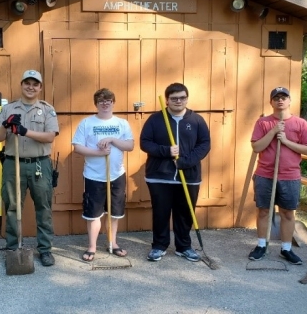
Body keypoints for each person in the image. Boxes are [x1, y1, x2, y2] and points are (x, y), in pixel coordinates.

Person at [0, 70, 59, 267]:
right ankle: (14, 248)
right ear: (21, 85)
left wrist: (24, 131)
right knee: (12, 207)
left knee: (43, 208)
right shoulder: (9, 109)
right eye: (27, 83)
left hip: (40, 164)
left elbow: (50, 136)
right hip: (13, 163)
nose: (31, 87)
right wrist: (5, 125)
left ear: (40, 87)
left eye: (35, 84)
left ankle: (45, 250)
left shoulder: (47, 109)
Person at [140, 82, 211, 262]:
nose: (178, 101)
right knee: (161, 213)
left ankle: (184, 246)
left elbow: (204, 144)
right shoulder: (156, 119)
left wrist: (186, 162)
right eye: (174, 98)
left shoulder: (196, 120)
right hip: (159, 176)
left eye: (182, 98)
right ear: (167, 100)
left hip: (189, 176)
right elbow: (145, 142)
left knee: (185, 213)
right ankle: (159, 245)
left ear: (187, 99)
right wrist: (166, 151)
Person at [248, 87, 307, 265]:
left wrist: (285, 141)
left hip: (290, 176)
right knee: (263, 211)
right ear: (271, 102)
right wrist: (273, 131)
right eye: (276, 98)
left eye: (283, 97)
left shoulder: (301, 124)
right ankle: (261, 245)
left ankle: (286, 248)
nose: (280, 100)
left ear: (289, 101)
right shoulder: (263, 123)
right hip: (265, 174)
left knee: (287, 212)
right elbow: (256, 147)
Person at [72, 88, 134, 262]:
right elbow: (77, 146)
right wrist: (98, 153)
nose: (105, 103)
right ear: (96, 104)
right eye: (101, 101)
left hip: (116, 175)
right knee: (93, 214)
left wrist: (112, 140)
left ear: (113, 103)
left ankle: (113, 243)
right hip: (94, 176)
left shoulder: (122, 123)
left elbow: (130, 145)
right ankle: (92, 247)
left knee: (115, 213)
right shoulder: (87, 123)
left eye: (108, 100)